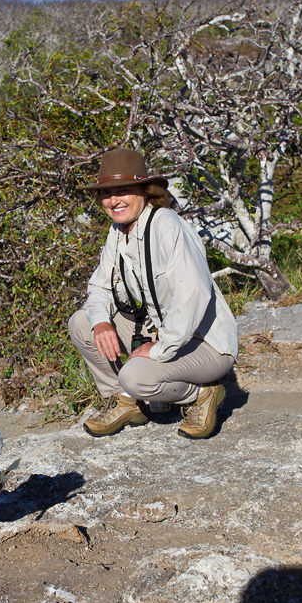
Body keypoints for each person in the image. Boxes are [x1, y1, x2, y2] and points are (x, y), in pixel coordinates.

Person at [68, 148, 238, 439]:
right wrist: (102, 321)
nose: (113, 200)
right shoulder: (118, 232)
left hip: (206, 343)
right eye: (106, 193)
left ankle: (202, 393)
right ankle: (127, 401)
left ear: (145, 191)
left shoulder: (168, 226)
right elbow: (99, 287)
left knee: (135, 376)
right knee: (83, 323)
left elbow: (193, 295)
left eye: (123, 190)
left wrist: (159, 349)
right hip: (166, 333)